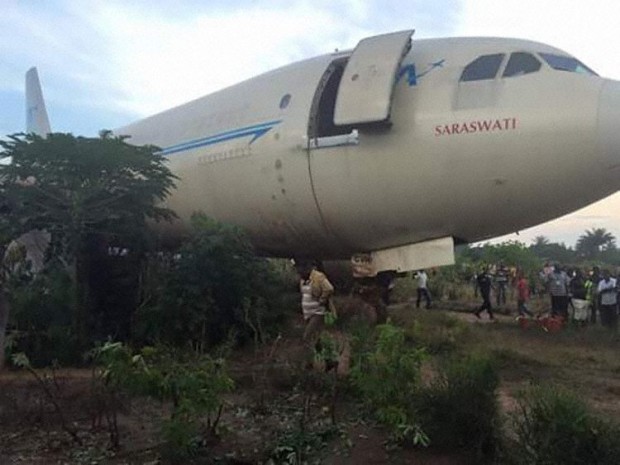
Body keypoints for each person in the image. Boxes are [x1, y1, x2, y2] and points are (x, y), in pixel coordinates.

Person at [297, 261, 335, 342]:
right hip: (307, 313)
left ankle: (308, 352)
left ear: (307, 270)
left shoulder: (318, 277)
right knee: (316, 336)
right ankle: (322, 352)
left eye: (301, 272)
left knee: (307, 336)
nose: (300, 274)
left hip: (317, 312)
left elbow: (329, 288)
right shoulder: (303, 279)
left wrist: (322, 300)